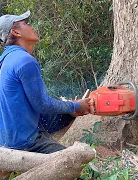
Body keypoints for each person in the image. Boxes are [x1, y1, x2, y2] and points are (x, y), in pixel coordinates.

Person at [0, 10, 91, 155]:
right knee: (78, 164)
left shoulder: (6, 59)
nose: (31, 27)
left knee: (66, 114)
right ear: (16, 32)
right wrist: (77, 104)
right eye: (25, 24)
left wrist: (70, 111)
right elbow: (42, 104)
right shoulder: (25, 61)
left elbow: (27, 106)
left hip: (8, 137)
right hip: (24, 142)